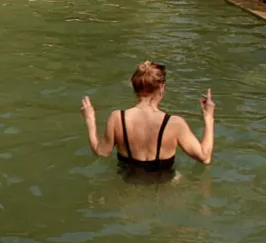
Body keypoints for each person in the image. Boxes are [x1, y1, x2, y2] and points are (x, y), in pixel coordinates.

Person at [80, 61, 215, 176]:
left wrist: (90, 120)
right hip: (165, 189)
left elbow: (101, 152)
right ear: (162, 88)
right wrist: (209, 117)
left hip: (129, 184)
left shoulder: (117, 118)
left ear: (135, 88)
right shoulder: (175, 124)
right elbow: (205, 157)